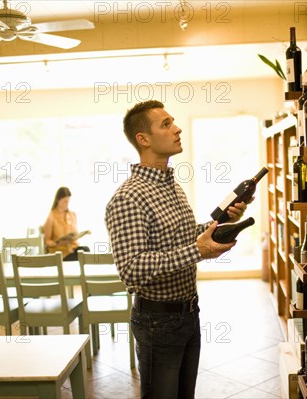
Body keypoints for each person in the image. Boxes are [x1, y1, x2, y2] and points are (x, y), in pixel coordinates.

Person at [105, 100, 249, 399]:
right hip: (158, 322)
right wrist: (199, 251)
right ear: (143, 139)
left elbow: (182, 236)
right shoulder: (128, 197)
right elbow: (131, 268)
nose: (177, 128)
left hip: (188, 313)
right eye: (166, 124)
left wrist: (217, 225)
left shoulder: (172, 186)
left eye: (174, 122)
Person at [43, 187, 90, 261]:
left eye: (68, 201)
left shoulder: (72, 214)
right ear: (58, 200)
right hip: (61, 252)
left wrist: (76, 237)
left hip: (72, 249)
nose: (67, 204)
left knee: (86, 250)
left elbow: (74, 234)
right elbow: (47, 241)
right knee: (81, 257)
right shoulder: (51, 217)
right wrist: (56, 243)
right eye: (65, 201)